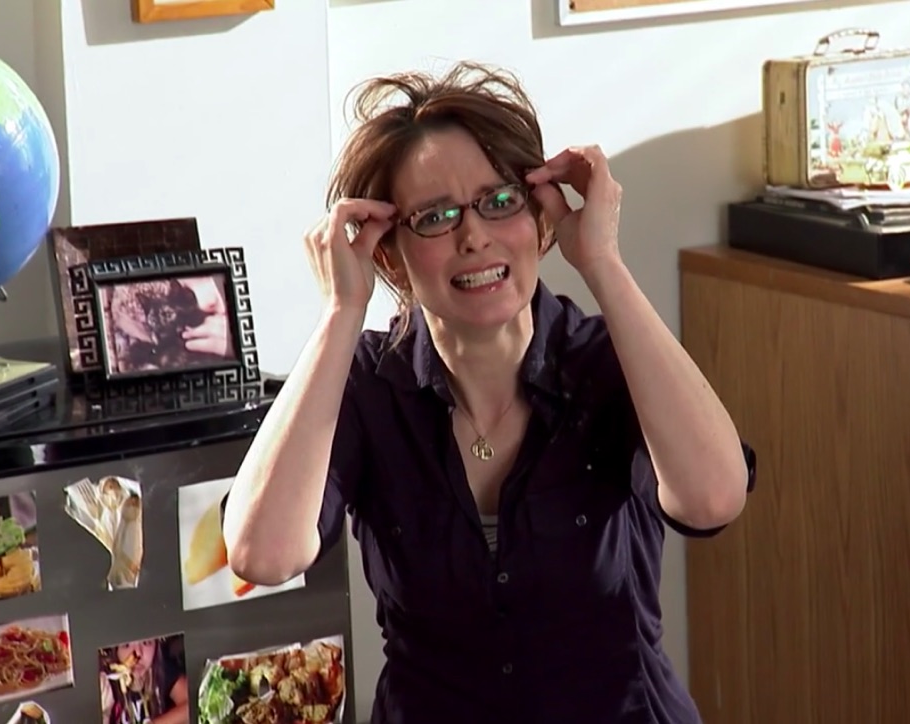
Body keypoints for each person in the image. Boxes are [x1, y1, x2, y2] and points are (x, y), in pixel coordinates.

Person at [222, 61, 756, 723]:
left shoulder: (611, 360)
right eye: (435, 217)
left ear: (539, 219)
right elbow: (263, 555)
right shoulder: (365, 385)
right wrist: (340, 313)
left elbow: (713, 500)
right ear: (390, 256)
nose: (474, 237)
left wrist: (602, 262)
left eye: (499, 202)